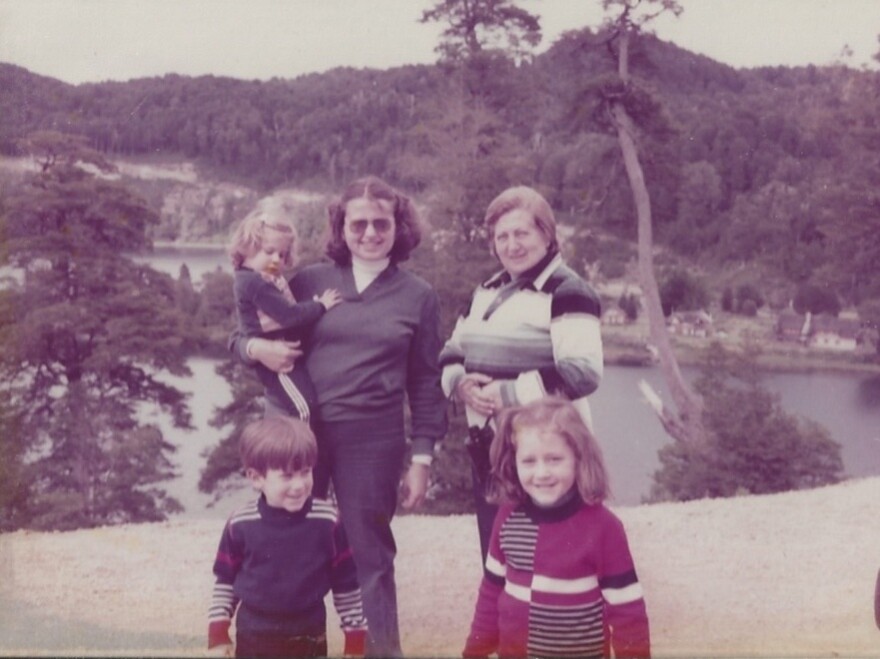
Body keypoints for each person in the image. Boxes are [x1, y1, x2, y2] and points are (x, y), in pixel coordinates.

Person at [234, 176, 448, 658]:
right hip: (298, 434)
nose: (370, 233)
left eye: (381, 223)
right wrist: (255, 348)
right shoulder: (308, 282)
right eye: (358, 223)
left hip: (372, 441)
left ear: (399, 226)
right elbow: (241, 331)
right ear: (341, 226)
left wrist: (422, 458)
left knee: (368, 555)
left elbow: (426, 383)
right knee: (287, 544)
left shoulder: (417, 296)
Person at [439, 185, 603, 563]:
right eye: (502, 237)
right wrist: (461, 385)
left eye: (522, 233)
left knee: (553, 559)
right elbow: (451, 350)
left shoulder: (569, 291)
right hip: (490, 448)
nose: (511, 245)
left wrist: (506, 394)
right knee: (499, 557)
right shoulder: (487, 290)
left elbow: (583, 372)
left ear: (547, 234)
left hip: (550, 449)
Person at [462, 397, 650, 659]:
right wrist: (475, 652)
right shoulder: (506, 517)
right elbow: (490, 595)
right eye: (529, 461)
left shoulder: (604, 527)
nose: (541, 473)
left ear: (578, 458)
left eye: (554, 459)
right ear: (513, 461)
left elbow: (628, 614)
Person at [207, 416, 368, 658]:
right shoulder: (240, 523)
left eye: (305, 472)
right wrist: (218, 635)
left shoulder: (328, 521)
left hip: (308, 632)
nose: (299, 485)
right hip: (255, 633)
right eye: (287, 476)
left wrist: (355, 644)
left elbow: (347, 587)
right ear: (256, 478)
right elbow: (225, 582)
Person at [228, 212, 341, 421]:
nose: (276, 260)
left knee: (306, 404)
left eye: (281, 255)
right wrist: (320, 305)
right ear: (246, 249)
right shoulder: (255, 283)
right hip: (277, 355)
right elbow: (288, 315)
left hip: (280, 348)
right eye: (269, 251)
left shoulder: (261, 278)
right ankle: (302, 450)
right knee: (303, 408)